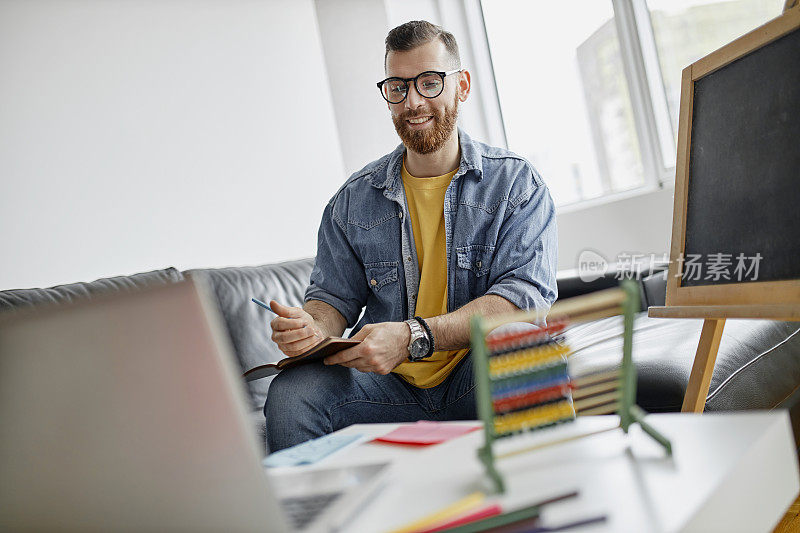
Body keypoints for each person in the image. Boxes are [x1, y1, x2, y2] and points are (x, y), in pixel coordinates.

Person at [264, 20, 557, 452]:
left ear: (462, 85)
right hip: (386, 389)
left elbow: (524, 300)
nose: (413, 102)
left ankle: (553, 504)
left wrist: (412, 336)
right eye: (398, 87)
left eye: (429, 82)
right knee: (293, 392)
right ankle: (320, 518)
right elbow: (332, 299)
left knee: (523, 347)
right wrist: (311, 328)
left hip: (473, 376)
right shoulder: (351, 202)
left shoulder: (516, 186)